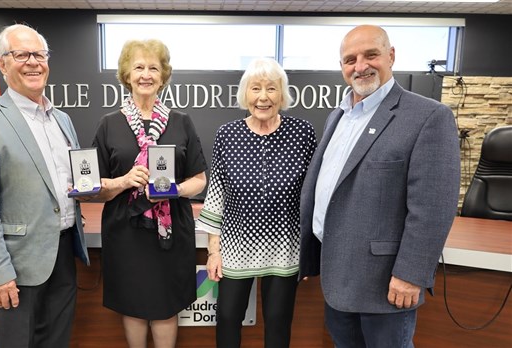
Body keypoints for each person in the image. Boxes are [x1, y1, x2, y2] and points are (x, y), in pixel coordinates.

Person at [298, 25, 461, 347]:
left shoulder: (428, 117)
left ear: (391, 56)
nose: (360, 66)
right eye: (350, 59)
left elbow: (432, 208)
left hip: (386, 282)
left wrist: (411, 274)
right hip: (338, 276)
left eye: (370, 55)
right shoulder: (339, 116)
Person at [0, 24, 90, 347]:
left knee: (56, 342)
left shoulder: (62, 119)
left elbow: (65, 184)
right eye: (21, 55)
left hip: (61, 254)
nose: (33, 62)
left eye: (40, 54)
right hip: (16, 265)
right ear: (2, 64)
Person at [92, 39, 207, 348]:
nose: (146, 74)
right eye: (139, 67)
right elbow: (94, 189)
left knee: (166, 304)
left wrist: (175, 189)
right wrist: (124, 181)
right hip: (125, 234)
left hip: (169, 234)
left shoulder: (181, 122)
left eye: (153, 68)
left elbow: (200, 179)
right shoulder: (109, 125)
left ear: (163, 75)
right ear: (127, 75)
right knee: (133, 305)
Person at [197, 57, 317, 347]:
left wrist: (312, 252)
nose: (263, 97)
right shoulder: (227, 135)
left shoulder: (302, 133)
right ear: (245, 94)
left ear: (282, 94)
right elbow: (217, 193)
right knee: (227, 317)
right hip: (236, 247)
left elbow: (314, 193)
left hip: (285, 247)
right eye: (255, 89)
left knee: (278, 321)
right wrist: (214, 252)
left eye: (271, 89)